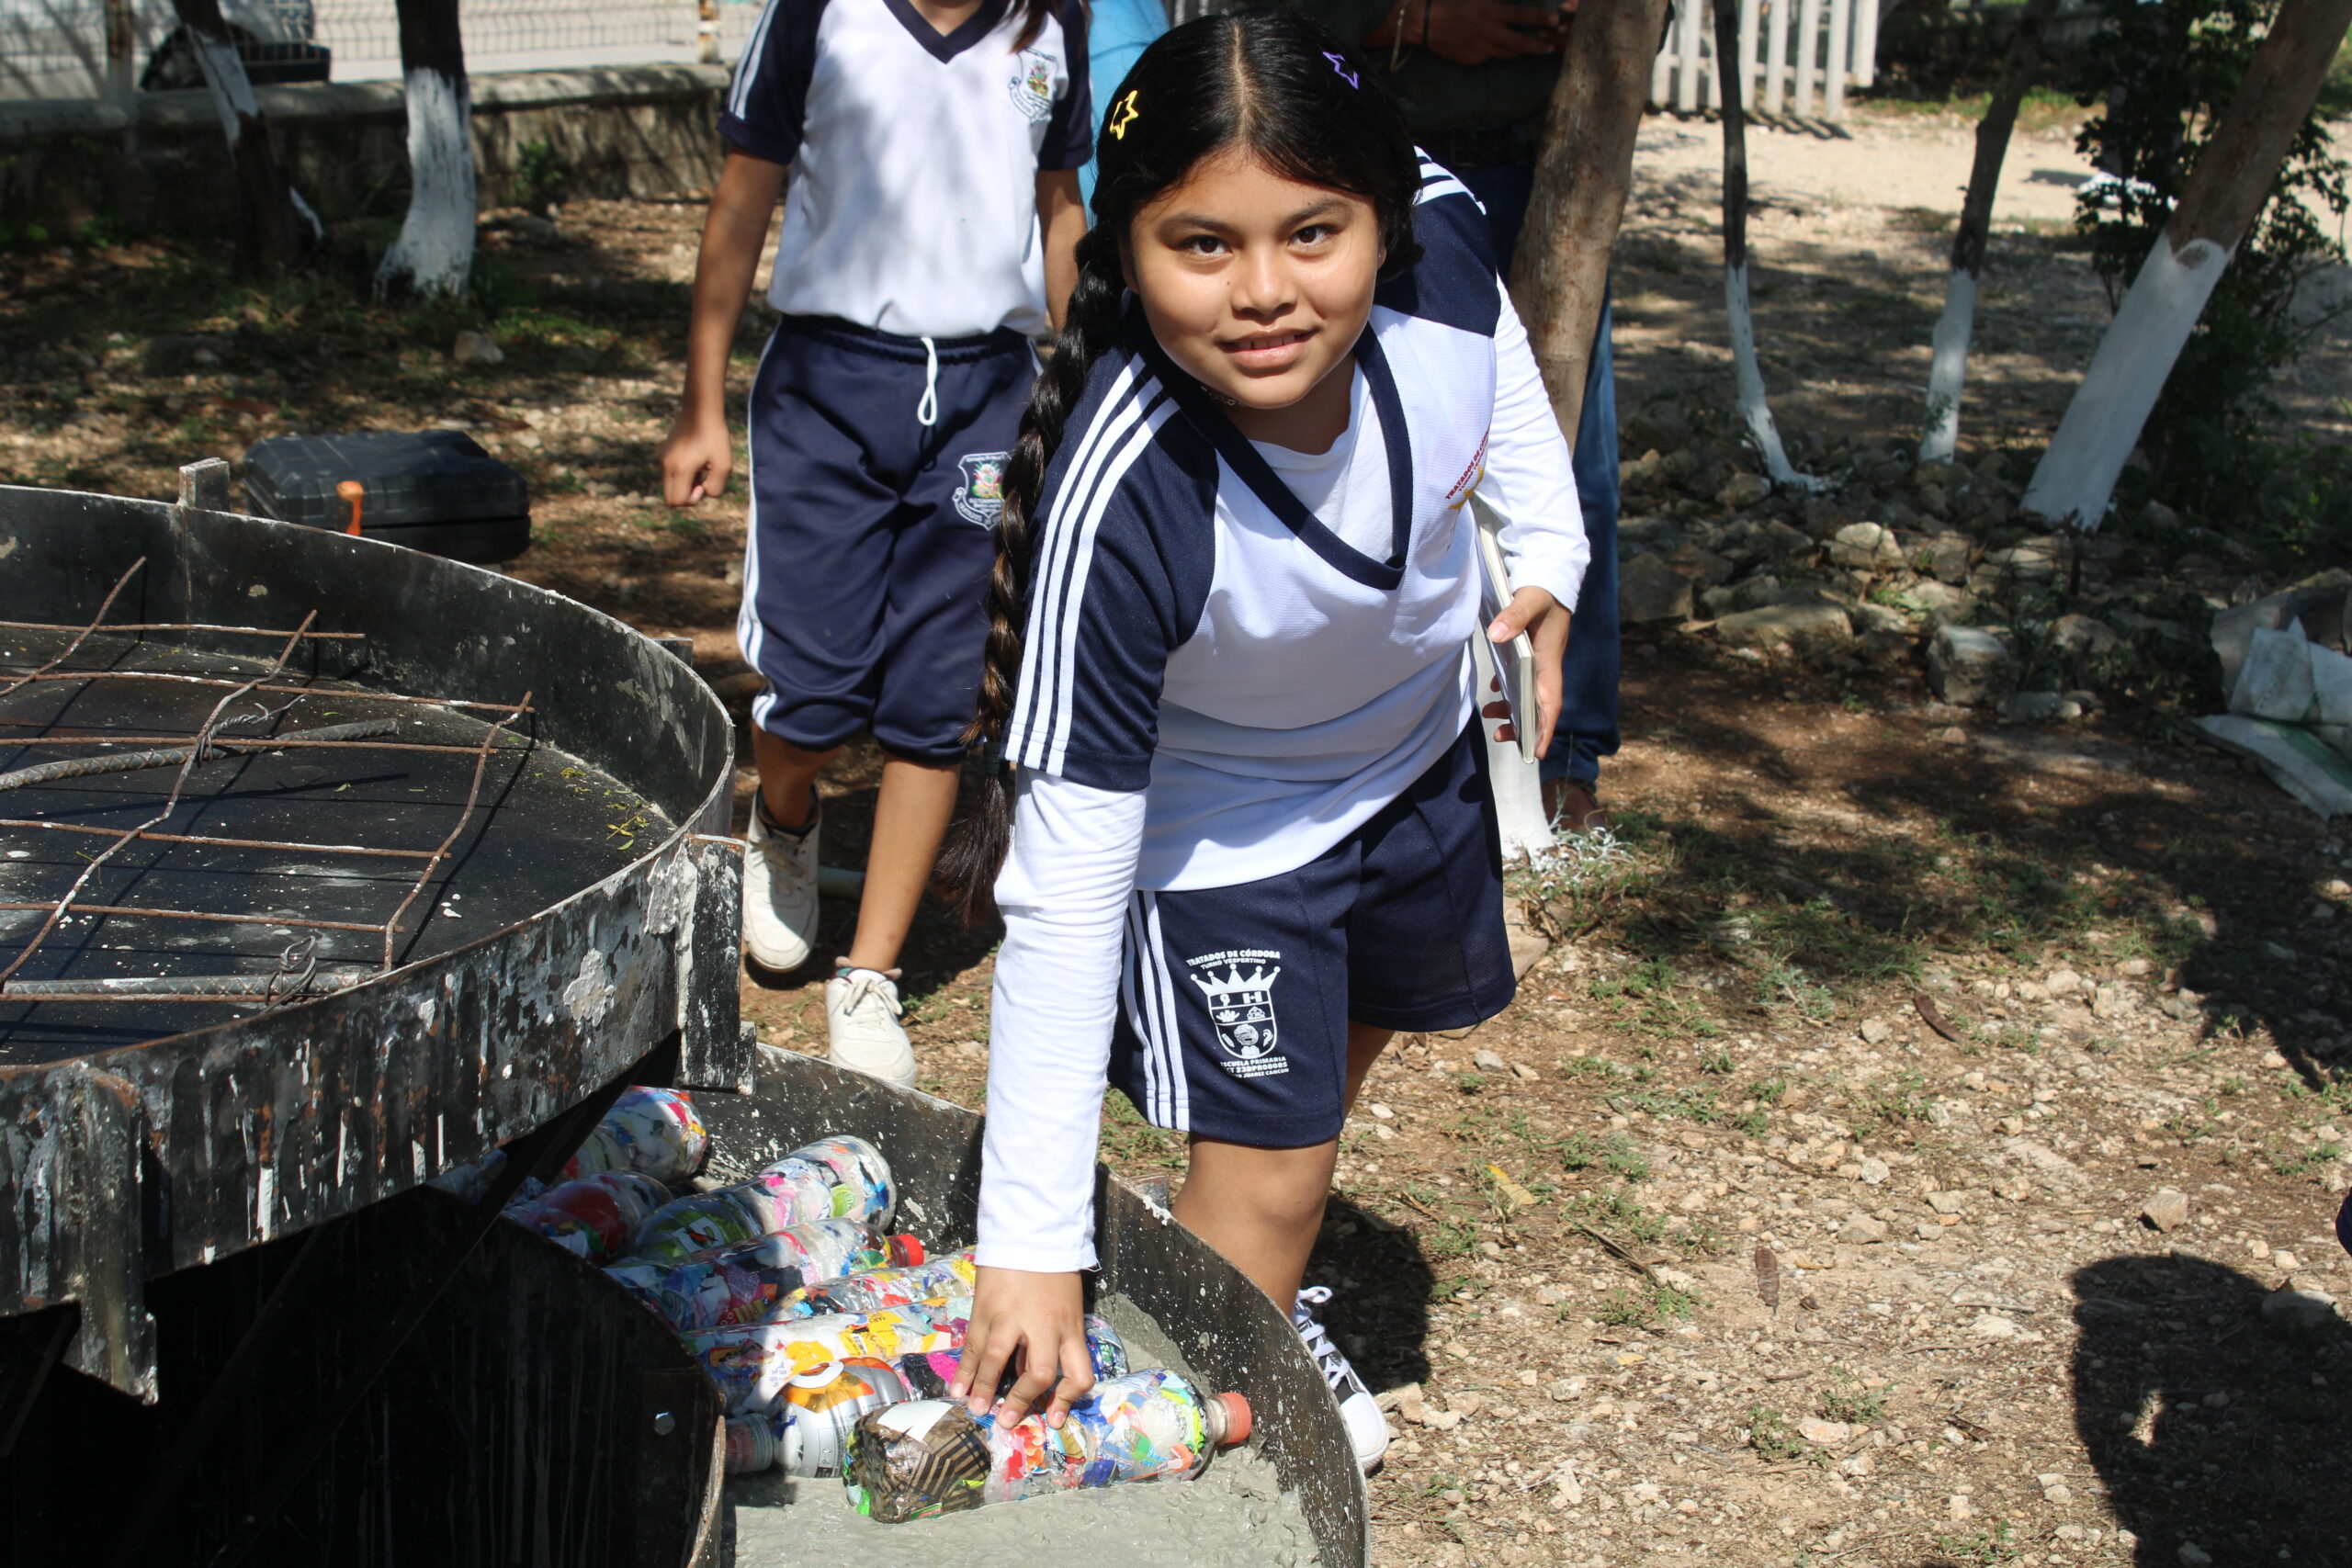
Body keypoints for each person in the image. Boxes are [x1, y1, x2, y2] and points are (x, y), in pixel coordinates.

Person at [939, 10, 1589, 1475]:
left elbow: (1495, 362)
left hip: (1416, 756)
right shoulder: (1127, 496)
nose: (1267, 292)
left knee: (1348, 1046)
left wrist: (1549, 544)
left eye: (1312, 233)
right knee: (1283, 1173)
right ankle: (1210, 1441)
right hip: (1224, 822)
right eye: (1202, 244)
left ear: (1378, 216)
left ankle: (1232, 1279)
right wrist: (1029, 1241)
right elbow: (1062, 887)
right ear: (1125, 246)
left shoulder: (1441, 246)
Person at [658, 0, 1091, 1086]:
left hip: (989, 394)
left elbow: (1059, 210)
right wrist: (700, 402)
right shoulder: (819, 12)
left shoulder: (1053, 20)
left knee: (939, 703)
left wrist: (1082, 392)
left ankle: (871, 976)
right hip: (830, 385)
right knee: (814, 691)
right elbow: (743, 198)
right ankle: (787, 815)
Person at [1278, 0, 1622, 829]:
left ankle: (1553, 752)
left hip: (1537, 169)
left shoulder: (1450, 238)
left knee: (1577, 485)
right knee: (1340, 468)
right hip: (1361, 157)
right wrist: (1411, 23)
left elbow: (1544, 502)